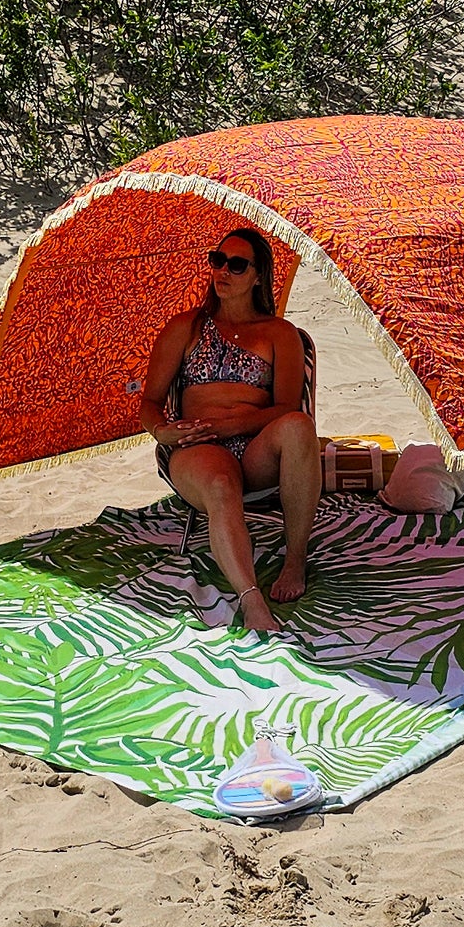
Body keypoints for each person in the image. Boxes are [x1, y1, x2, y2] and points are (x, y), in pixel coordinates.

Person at [139, 225, 320, 636]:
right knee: (220, 483)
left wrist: (233, 423)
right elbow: (149, 401)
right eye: (217, 260)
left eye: (237, 265)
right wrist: (162, 432)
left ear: (259, 276)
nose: (223, 271)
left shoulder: (280, 333)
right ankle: (251, 600)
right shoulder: (186, 327)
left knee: (297, 426)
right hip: (198, 446)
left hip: (255, 446)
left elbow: (286, 406)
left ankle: (295, 561)